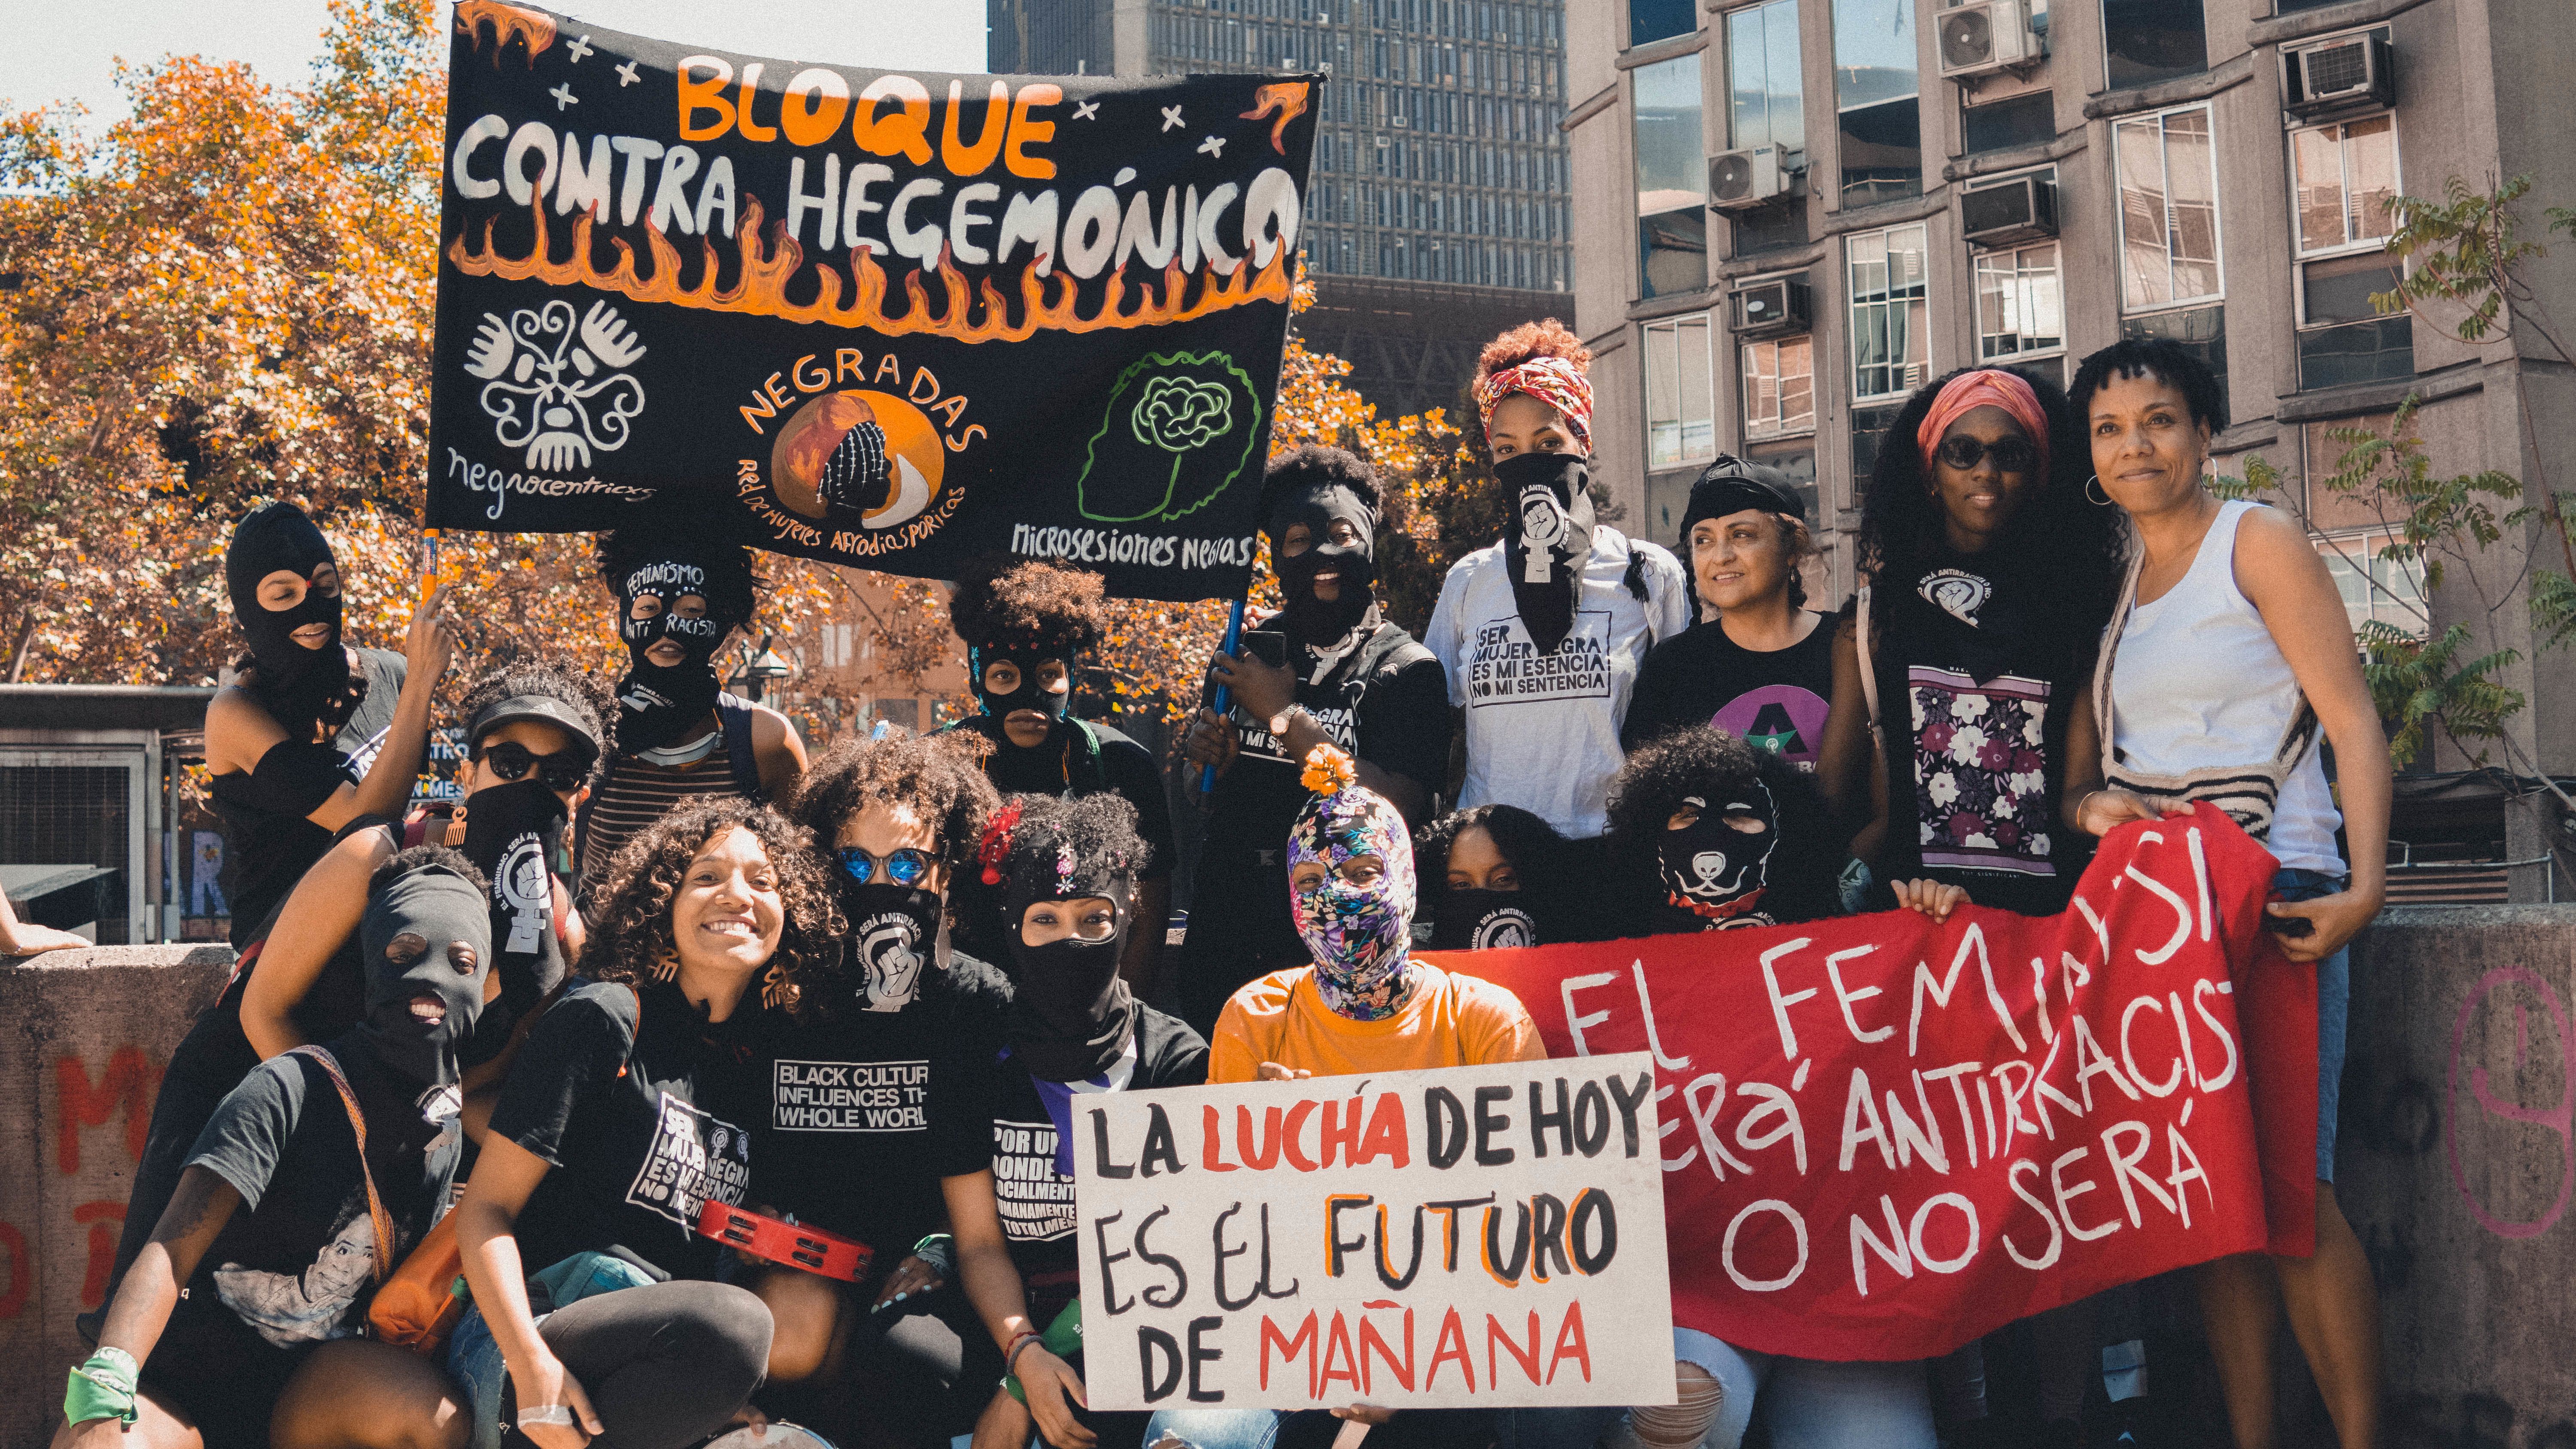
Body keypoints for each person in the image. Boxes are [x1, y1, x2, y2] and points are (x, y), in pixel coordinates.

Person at [2068, 337, 2388, 1449]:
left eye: (2157, 420)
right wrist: (2088, 811)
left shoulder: (2255, 541)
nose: (2134, 446)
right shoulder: (2112, 587)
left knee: (2294, 1201)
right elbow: (2080, 775)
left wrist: (2367, 885)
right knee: (2210, 1207)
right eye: (2110, 430)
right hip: (2162, 917)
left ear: (2204, 431)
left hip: (2279, 887)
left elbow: (2350, 716)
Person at [94, 663, 609, 1333]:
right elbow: (264, 1009)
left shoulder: (559, 931)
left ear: (580, 796)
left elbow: (473, 1077)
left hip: (382, 1185)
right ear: (469, 774)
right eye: (509, 762)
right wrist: (344, 1140)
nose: (530, 787)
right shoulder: (379, 855)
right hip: (259, 1108)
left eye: (559, 775)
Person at [1148, 746, 1541, 1449]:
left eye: (1363, 874)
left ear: (1408, 883)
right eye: (1310, 879)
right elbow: (1220, 1235)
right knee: (1187, 1435)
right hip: (1292, 1328)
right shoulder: (1256, 1018)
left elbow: (1527, 1226)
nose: (1338, 899)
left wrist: (1412, 1355)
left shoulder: (1486, 1019)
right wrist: (1270, 1165)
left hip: (1453, 1329)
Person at [54, 847, 492, 1449]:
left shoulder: (443, 1126)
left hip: (303, 1398)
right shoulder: (289, 1086)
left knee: (430, 1418)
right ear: (372, 966)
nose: (432, 978)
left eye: (460, 961)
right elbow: (169, 1248)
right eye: (404, 955)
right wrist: (109, 1383)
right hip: (180, 1389)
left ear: (485, 982)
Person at [451, 800, 837, 1449]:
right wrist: (530, 1362)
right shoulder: (606, 1020)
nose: (737, 896)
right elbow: (485, 1211)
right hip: (529, 1338)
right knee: (736, 1326)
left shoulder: (752, 1065)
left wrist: (696, 1400)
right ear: (661, 905)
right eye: (707, 877)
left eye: (763, 882)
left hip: (653, 1361)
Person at [735, 728, 1031, 1447]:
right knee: (791, 1331)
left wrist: (935, 1250)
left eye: (906, 862)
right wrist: (751, 1213)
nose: (880, 884)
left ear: (946, 869)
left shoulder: (978, 1002)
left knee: (912, 1362)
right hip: (798, 1272)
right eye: (855, 862)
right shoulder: (781, 994)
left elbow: (989, 1188)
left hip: (928, 1272)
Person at [1816, 367, 2125, 917]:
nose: (1987, 470)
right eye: (1963, 451)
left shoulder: (2079, 614)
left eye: (2011, 454)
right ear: (1931, 472)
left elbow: (2079, 787)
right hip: (1913, 929)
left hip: (2045, 933)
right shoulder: (1871, 621)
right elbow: (1832, 804)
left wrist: (2104, 811)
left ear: (2039, 476)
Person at [963, 792, 1209, 1449]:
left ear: (1127, 921)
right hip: (1009, 1313)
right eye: (1043, 919)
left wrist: (1020, 1393)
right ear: (1011, 926)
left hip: (1142, 1316)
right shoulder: (981, 1056)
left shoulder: (1178, 1059)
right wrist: (1023, 1357)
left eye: (1093, 919)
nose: (1069, 940)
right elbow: (980, 1245)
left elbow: (1178, 1253)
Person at [1176, 446, 1451, 1033]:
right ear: (1277, 555)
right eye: (1298, 541)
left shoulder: (1407, 668)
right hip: (1231, 923)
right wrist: (1204, 762)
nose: (1323, 556)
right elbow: (1199, 799)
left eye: (1343, 534)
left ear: (1371, 543)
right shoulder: (1246, 655)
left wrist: (1285, 717)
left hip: (1339, 928)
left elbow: (1397, 809)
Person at [1426, 322, 1692, 838]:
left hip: (1607, 852)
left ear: (1581, 443)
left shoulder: (1648, 572)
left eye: (1548, 442)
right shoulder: (1468, 582)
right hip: (1495, 859)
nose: (1527, 462)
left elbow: (1680, 719)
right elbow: (1432, 724)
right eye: (1507, 450)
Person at [205, 501, 459, 945]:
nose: (312, 608)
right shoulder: (236, 712)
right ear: (249, 608)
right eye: (284, 595)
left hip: (377, 937)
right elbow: (362, 824)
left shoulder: (393, 675)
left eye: (325, 585)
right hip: (282, 951)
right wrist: (421, 684)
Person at [937, 559, 1177, 992]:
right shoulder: (937, 763)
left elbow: (1152, 903)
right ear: (978, 678)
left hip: (1084, 993)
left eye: (1048, 675)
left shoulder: (1119, 763)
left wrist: (1123, 1015)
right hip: (968, 999)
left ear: (1071, 677)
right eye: (1004, 676)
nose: (1030, 696)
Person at [576, 530, 807, 888]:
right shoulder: (587, 733)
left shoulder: (766, 741)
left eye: (691, 610)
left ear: (719, 623)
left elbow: (798, 876)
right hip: (601, 945)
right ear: (625, 619)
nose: (668, 627)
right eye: (648, 608)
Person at [1623, 458, 1833, 770]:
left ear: (1792, 548)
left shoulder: (1846, 648)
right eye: (1703, 540)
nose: (1721, 557)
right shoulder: (1673, 668)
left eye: (1742, 535)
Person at [1600, 725, 1843, 936]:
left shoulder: (1821, 920)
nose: (1711, 838)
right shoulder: (1627, 933)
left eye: (1738, 814)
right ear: (1648, 830)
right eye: (1689, 814)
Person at [1413, 803, 1573, 952]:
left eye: (1503, 879)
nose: (1483, 896)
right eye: (1462, 884)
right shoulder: (1428, 977)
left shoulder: (1578, 968)